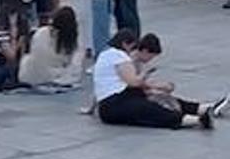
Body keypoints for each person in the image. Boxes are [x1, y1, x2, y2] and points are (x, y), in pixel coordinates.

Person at [94, 30, 226, 129]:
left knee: (153, 104)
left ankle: (200, 111)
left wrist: (93, 107)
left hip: (115, 102)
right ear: (124, 44)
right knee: (150, 110)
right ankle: (196, 118)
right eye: (131, 46)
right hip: (116, 103)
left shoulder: (106, 55)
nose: (131, 50)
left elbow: (101, 85)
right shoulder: (119, 56)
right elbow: (134, 82)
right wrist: (146, 75)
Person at [17, 5, 83, 88]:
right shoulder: (72, 39)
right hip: (55, 74)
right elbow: (76, 64)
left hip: (29, 75)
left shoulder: (40, 32)